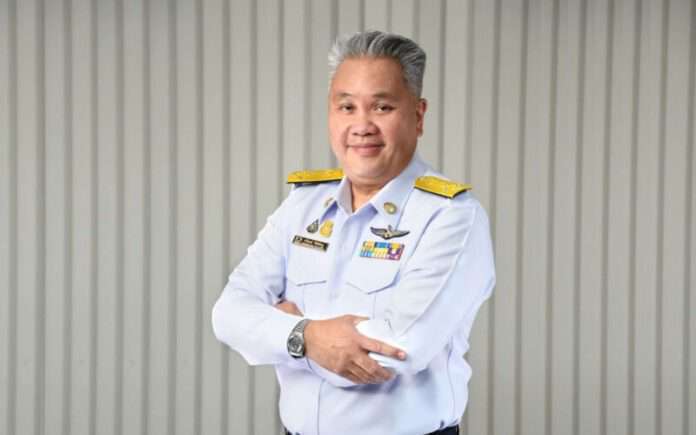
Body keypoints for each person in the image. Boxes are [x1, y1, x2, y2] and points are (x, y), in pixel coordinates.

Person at [212, 30, 495, 435]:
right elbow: (228, 313)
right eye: (346, 106)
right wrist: (309, 336)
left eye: (382, 107)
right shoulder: (303, 206)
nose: (362, 126)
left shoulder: (451, 217)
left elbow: (399, 347)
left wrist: (285, 335)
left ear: (418, 115)